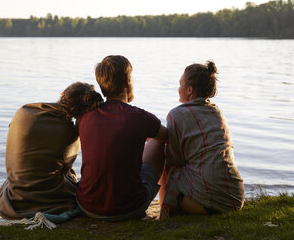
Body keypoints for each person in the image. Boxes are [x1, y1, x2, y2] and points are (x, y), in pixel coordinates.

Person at [76, 55, 168, 221]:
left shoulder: (85, 116)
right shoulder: (140, 117)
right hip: (129, 208)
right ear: (127, 82)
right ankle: (165, 209)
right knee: (159, 143)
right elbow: (167, 136)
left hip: (87, 206)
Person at [0, 82, 103, 219]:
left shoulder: (24, 110)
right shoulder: (71, 134)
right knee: (71, 176)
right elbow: (65, 169)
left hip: (16, 193)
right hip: (47, 198)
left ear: (64, 92)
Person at [159, 61, 244, 218]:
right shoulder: (217, 112)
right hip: (235, 199)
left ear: (189, 90)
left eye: (180, 84)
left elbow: (175, 160)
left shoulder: (176, 115)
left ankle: (164, 212)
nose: (178, 89)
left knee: (164, 156)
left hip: (209, 205)